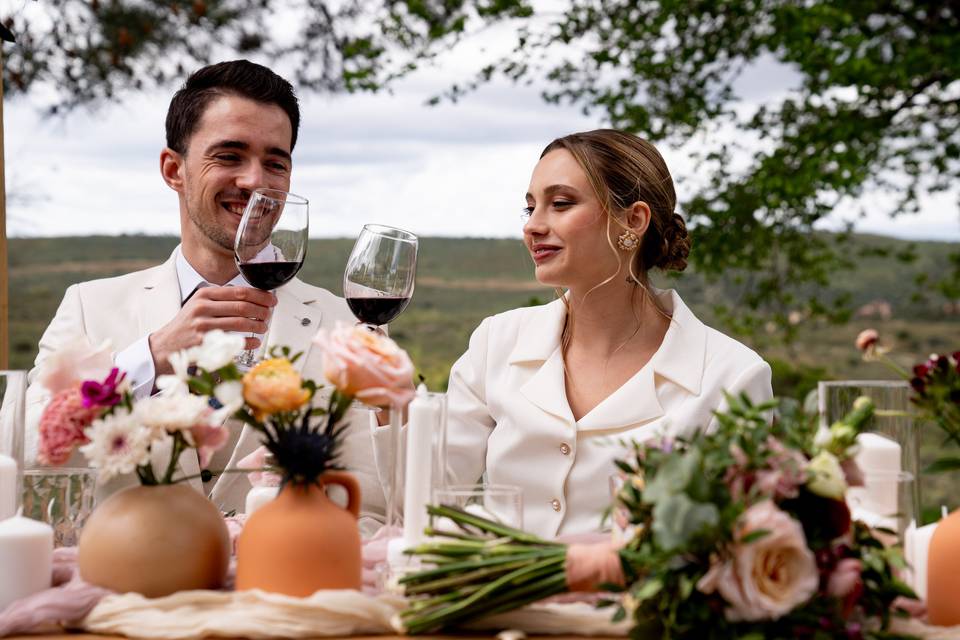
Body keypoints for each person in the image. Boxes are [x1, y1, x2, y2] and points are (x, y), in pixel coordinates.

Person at [24, 60, 385, 529]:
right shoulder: (89, 309)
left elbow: (375, 508)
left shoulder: (347, 329)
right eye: (230, 156)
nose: (255, 181)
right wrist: (150, 357)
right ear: (173, 169)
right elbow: (27, 459)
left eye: (275, 162)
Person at [443, 129, 773, 538]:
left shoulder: (733, 377)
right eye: (530, 209)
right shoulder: (496, 342)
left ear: (633, 220)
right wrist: (384, 404)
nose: (533, 226)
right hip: (493, 598)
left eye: (560, 204)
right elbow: (428, 492)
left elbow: (734, 540)